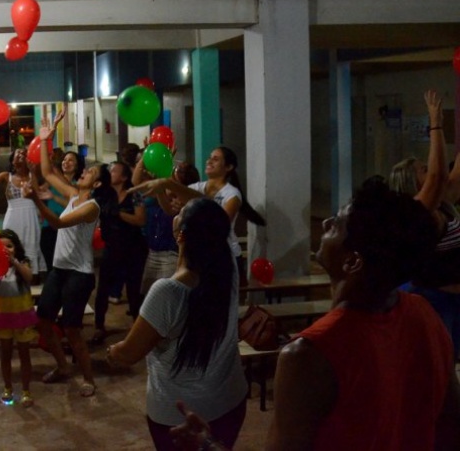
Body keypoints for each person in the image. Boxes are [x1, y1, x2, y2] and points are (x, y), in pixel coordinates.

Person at [170, 182, 460, 451]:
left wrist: (207, 444)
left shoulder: (310, 354)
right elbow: (450, 426)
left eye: (336, 225)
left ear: (352, 261)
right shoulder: (424, 315)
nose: (324, 224)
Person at [106, 198, 247, 450]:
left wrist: (113, 351)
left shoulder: (168, 292)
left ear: (180, 233)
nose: (175, 210)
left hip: (181, 418)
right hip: (230, 402)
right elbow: (215, 223)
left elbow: (129, 353)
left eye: (180, 211)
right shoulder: (228, 272)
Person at [26, 110, 106, 397]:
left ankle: (89, 379)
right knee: (43, 322)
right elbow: (47, 172)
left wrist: (36, 200)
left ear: (96, 185)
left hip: (79, 275)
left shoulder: (91, 207)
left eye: (90, 173)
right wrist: (45, 140)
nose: (84, 171)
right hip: (60, 270)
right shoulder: (74, 196)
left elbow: (58, 223)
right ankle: (62, 367)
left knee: (72, 331)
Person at [388, 90, 460, 358]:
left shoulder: (443, 202)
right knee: (437, 366)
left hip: (454, 298)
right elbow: (440, 174)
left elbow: (455, 172)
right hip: (433, 299)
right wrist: (435, 123)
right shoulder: (416, 211)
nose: (428, 170)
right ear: (411, 182)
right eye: (422, 169)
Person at [136, 146, 265, 258]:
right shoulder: (196, 188)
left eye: (216, 159)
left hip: (225, 255)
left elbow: (221, 225)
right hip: (201, 253)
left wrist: (193, 211)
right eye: (210, 158)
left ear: (229, 167)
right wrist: (160, 189)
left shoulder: (231, 194)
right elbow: (169, 209)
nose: (209, 161)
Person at [0, 229, 38, 407]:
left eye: (9, 246)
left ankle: (26, 390)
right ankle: (8, 388)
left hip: (22, 316)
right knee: (5, 354)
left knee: (24, 354)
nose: (6, 250)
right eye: (1, 246)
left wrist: (14, 262)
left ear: (16, 248)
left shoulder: (23, 263)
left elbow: (29, 277)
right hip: (3, 316)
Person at [91, 160, 146, 343]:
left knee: (133, 291)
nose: (110, 172)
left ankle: (137, 331)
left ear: (123, 177)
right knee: (103, 290)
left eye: (114, 171)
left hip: (133, 248)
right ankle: (99, 327)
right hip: (112, 247)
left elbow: (140, 220)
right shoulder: (102, 193)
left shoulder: (134, 192)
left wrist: (119, 213)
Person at [0, 142, 46, 275]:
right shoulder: (6, 176)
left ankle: (31, 277)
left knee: (30, 247)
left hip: (31, 217)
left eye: (24, 153)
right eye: (18, 153)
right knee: (10, 246)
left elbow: (37, 194)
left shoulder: (32, 175)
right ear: (12, 160)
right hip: (13, 218)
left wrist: (32, 171)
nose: (21, 154)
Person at [140, 162, 200, 298]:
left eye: (176, 173)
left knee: (166, 297)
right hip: (153, 252)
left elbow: (170, 211)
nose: (172, 174)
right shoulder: (167, 196)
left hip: (171, 254)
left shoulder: (185, 202)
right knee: (146, 296)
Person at [39, 150, 85, 272]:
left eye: (70, 160)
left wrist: (54, 197)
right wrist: (32, 171)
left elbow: (74, 206)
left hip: (68, 229)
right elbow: (38, 191)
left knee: (66, 266)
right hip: (49, 227)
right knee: (51, 265)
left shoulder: (78, 185)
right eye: (64, 160)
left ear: (77, 166)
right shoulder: (52, 182)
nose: (66, 162)